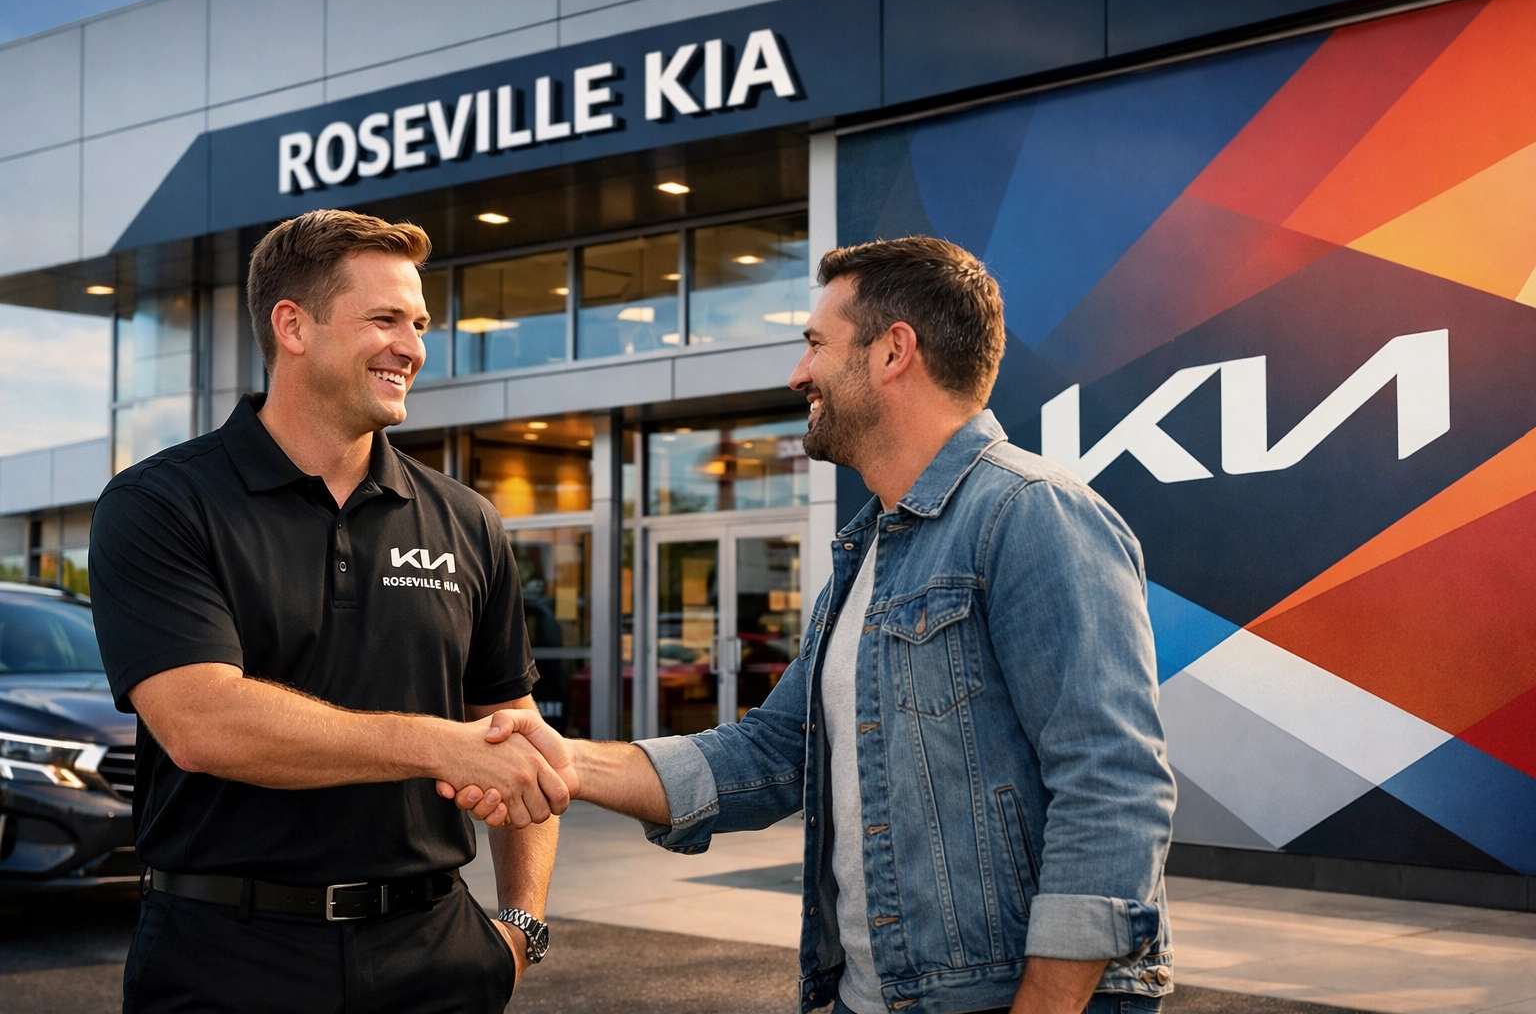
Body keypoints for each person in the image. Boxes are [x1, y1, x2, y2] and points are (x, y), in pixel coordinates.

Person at [454, 236, 1178, 1013]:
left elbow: (1113, 784)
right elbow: (772, 751)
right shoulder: (874, 544)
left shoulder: (1032, 514)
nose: (800, 374)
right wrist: (566, 762)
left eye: (814, 345)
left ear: (893, 350)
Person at [90, 210, 571, 1013]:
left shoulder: (464, 519)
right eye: (384, 319)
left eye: (418, 323)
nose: (412, 346)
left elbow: (514, 734)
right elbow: (203, 724)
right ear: (294, 327)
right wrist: (437, 745)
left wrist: (520, 926)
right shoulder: (162, 503)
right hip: (228, 957)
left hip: (437, 953)